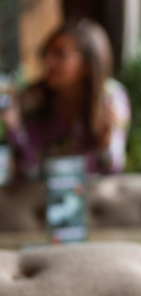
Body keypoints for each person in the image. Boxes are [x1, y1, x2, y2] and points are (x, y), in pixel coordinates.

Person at [0, 19, 130, 179]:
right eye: (47, 53)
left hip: (91, 196)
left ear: (88, 64)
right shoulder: (33, 98)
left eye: (60, 55)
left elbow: (112, 173)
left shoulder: (110, 99)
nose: (49, 61)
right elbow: (28, 169)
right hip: (41, 195)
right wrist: (13, 128)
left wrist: (105, 143)